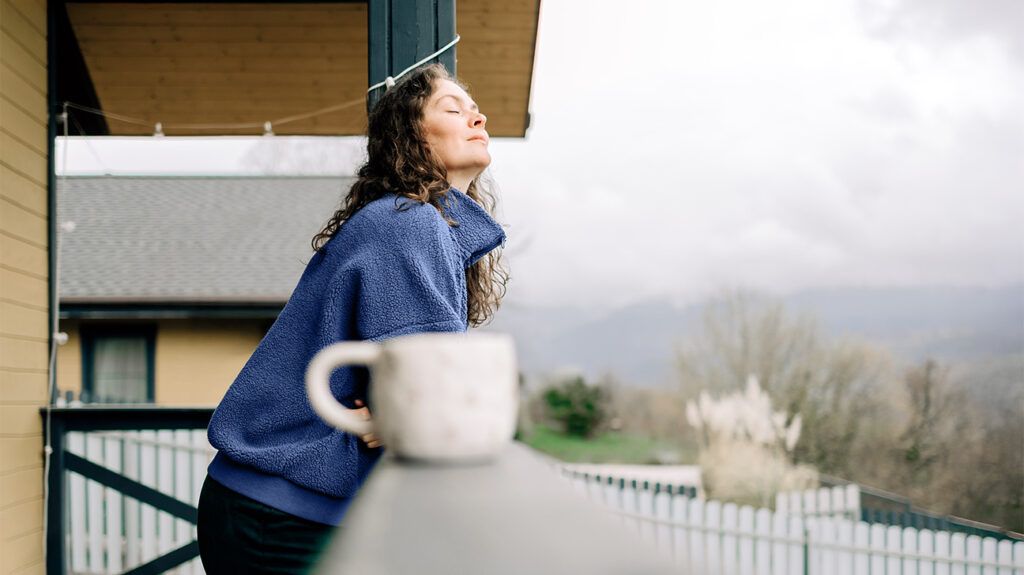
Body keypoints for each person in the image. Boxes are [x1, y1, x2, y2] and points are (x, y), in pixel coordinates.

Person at [196, 62, 509, 574]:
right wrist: (407, 413)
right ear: (410, 134)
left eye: (476, 111)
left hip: (269, 504)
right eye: (454, 110)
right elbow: (436, 397)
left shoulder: (416, 224)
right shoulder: (409, 223)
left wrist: (398, 412)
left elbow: (411, 392)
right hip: (280, 517)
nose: (478, 119)